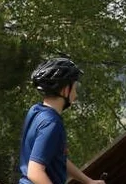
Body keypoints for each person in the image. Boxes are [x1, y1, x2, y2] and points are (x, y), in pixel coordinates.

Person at [18, 56, 104, 184]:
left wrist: (88, 181)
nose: (76, 94)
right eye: (74, 88)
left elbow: (56, 156)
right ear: (65, 90)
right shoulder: (51, 124)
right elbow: (34, 171)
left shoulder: (36, 111)